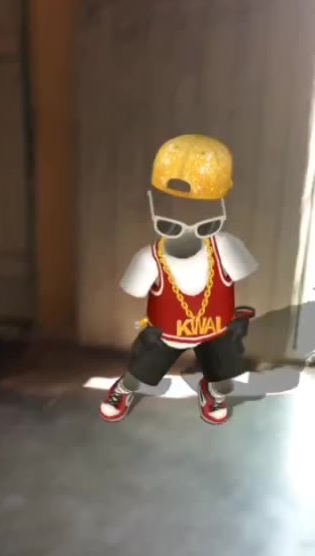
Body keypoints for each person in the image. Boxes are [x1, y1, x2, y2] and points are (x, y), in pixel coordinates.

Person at [99, 135, 258, 425]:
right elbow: (134, 288)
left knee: (225, 383)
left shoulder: (226, 247)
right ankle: (123, 389)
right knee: (137, 378)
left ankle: (212, 391)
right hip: (167, 335)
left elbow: (240, 270)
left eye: (201, 209)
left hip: (215, 331)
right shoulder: (149, 258)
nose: (188, 219)